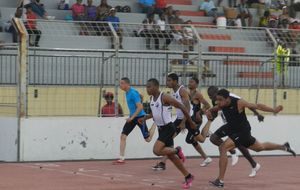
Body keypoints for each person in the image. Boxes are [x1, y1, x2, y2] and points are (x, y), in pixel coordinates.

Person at [207, 89, 296, 188]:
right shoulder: (222, 104)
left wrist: (273, 110)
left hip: (242, 131)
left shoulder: (238, 102)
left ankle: (220, 180)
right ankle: (283, 147)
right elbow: (216, 108)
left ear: (228, 99)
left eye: (220, 100)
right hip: (231, 128)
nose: (217, 102)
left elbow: (257, 106)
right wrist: (209, 110)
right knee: (260, 147)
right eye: (217, 100)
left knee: (223, 148)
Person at [152, 73, 213, 170]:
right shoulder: (173, 92)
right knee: (169, 138)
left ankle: (209, 125)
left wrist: (184, 122)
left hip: (189, 118)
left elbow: (187, 107)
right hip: (179, 119)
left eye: (169, 80)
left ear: (175, 81)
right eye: (166, 80)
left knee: (201, 139)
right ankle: (163, 163)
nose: (167, 82)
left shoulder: (182, 91)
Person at [143, 78, 195, 189]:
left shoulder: (164, 97)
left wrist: (189, 121)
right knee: (172, 157)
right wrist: (145, 117)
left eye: (149, 86)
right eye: (146, 87)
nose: (147, 89)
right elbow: (154, 113)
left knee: (156, 150)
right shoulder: (152, 98)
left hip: (168, 128)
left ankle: (178, 150)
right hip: (160, 129)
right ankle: (188, 176)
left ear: (156, 87)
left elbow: (181, 106)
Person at [207, 86, 264, 178]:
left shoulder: (231, 96)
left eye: (211, 96)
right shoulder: (216, 100)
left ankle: (249, 162)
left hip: (237, 123)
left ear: (217, 93)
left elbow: (247, 104)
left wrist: (257, 114)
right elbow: (216, 111)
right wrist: (210, 115)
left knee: (239, 143)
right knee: (214, 138)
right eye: (209, 97)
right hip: (228, 123)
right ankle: (248, 161)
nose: (211, 99)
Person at [113, 77, 156, 164]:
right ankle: (121, 158)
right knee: (123, 136)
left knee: (148, 139)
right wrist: (141, 98)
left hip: (140, 117)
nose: (120, 85)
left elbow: (140, 107)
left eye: (121, 83)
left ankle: (155, 122)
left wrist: (132, 118)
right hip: (133, 117)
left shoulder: (132, 93)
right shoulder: (128, 92)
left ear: (126, 84)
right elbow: (139, 97)